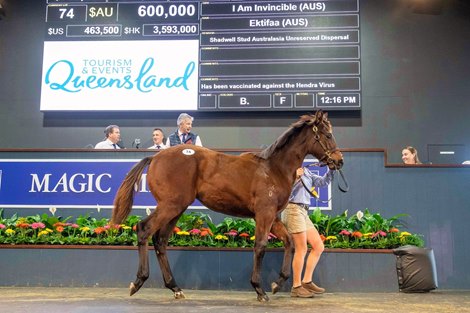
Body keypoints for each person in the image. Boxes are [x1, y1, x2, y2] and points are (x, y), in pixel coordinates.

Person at [281, 167, 334, 298]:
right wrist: (294, 177)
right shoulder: (288, 171)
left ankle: (306, 281)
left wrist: (331, 170)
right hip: (292, 209)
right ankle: (296, 287)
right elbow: (282, 192)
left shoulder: (308, 171)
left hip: (303, 211)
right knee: (302, 248)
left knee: (318, 246)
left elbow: (323, 182)